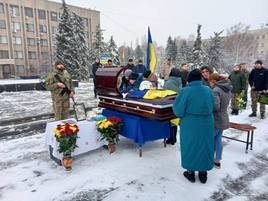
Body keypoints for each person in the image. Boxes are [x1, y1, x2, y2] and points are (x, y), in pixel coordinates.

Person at [172, 69, 214, 184]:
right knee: (205, 146)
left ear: (189, 79)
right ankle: (203, 173)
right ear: (200, 78)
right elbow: (213, 105)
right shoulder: (208, 90)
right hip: (207, 123)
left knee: (191, 146)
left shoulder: (185, 91)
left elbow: (178, 111)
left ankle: (190, 172)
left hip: (191, 124)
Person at [208, 73, 231, 169]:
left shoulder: (216, 90)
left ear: (213, 81)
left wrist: (208, 107)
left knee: (210, 140)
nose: (209, 84)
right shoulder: (226, 88)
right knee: (218, 140)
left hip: (216, 119)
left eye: (209, 82)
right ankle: (217, 161)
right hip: (224, 117)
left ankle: (209, 159)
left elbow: (216, 106)